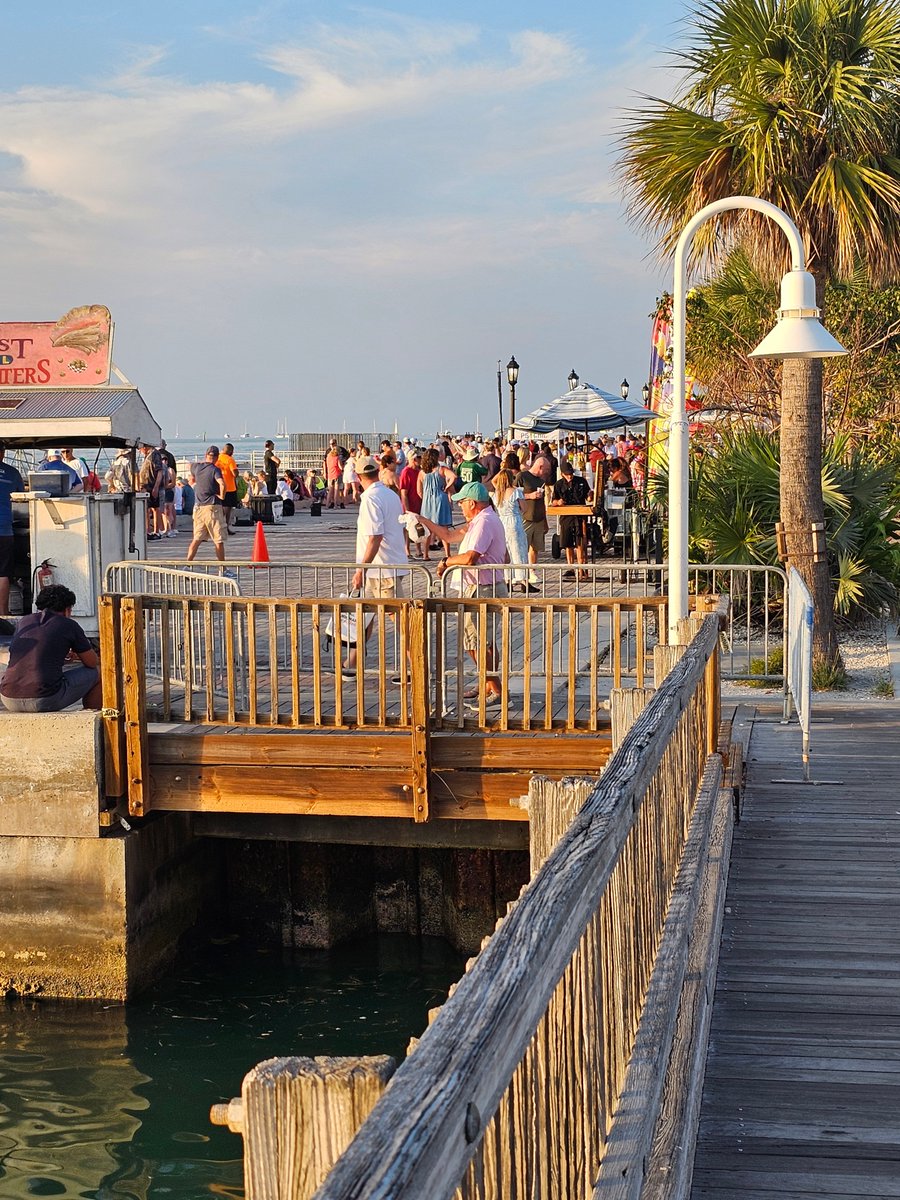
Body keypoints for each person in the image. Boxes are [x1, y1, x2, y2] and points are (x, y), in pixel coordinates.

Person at [421, 481, 508, 708]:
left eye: (462, 502)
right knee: (483, 642)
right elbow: (449, 536)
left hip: (482, 587)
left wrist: (445, 561)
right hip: (486, 585)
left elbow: (470, 557)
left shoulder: (484, 522)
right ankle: (487, 683)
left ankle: (496, 690)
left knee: (475, 643)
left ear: (472, 503)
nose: (460, 506)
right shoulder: (481, 520)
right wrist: (422, 520)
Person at [344, 457, 409, 680]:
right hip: (385, 566)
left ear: (359, 476)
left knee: (399, 620)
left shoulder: (371, 498)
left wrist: (361, 569)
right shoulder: (389, 494)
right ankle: (351, 663)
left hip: (381, 568)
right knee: (366, 614)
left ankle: (413, 667)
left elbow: (375, 537)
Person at [0, 584, 101, 711]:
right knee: (98, 673)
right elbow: (92, 662)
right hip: (43, 699)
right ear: (67, 609)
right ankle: (91, 716)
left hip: (8, 697)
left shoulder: (24, 621)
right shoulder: (69, 625)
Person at [551, 459, 592, 580]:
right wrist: (558, 502)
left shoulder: (581, 481)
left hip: (579, 515)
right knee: (567, 543)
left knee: (580, 542)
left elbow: (588, 496)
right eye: (567, 474)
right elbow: (553, 501)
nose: (570, 476)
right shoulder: (558, 484)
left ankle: (581, 566)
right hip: (566, 516)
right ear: (563, 474)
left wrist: (590, 495)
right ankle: (571, 567)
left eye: (571, 474)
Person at [492, 467, 533, 591]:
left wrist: (501, 470)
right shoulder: (515, 491)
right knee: (519, 550)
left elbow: (494, 481)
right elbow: (524, 508)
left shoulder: (497, 493)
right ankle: (523, 581)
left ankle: (507, 580)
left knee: (506, 551)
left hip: (502, 521)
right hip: (514, 521)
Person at [186, 446, 227, 563]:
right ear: (217, 457)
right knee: (218, 539)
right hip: (212, 507)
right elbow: (222, 484)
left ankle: (188, 564)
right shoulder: (215, 469)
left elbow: (189, 465)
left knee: (197, 539)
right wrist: (222, 496)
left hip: (199, 507)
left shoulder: (197, 467)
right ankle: (222, 568)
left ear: (206, 455)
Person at [512, 451, 547, 572]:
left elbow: (543, 502)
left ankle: (532, 571)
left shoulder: (541, 481)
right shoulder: (522, 476)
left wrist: (545, 521)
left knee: (535, 547)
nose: (546, 473)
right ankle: (522, 572)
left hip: (538, 517)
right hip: (526, 517)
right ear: (540, 467)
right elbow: (512, 494)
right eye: (545, 470)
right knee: (523, 546)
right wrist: (530, 496)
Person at [417, 447, 454, 561]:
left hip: (427, 502)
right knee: (443, 528)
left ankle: (425, 554)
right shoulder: (441, 469)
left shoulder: (422, 472)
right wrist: (447, 487)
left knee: (427, 529)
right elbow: (453, 476)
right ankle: (447, 554)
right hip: (440, 499)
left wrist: (426, 498)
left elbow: (419, 491)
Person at [0, 441, 24, 616]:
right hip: (4, 530)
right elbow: (21, 498)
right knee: (3, 573)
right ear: (3, 452)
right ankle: (3, 613)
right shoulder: (12, 473)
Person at [138, 441, 166, 538]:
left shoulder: (154, 454)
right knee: (147, 508)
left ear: (144, 447)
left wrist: (156, 487)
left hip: (151, 485)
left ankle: (155, 531)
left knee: (154, 508)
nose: (140, 450)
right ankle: (148, 531)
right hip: (146, 485)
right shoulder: (148, 455)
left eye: (140, 448)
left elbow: (159, 471)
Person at [218, 442, 240, 533]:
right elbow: (235, 473)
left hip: (218, 487)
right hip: (229, 487)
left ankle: (218, 526)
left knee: (219, 508)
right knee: (228, 508)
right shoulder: (230, 459)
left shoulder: (218, 458)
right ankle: (225, 526)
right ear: (231, 451)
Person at [158, 439, 178, 536]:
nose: (164, 461)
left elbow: (172, 481)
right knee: (169, 509)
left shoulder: (156, 455)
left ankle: (166, 528)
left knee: (166, 509)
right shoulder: (170, 456)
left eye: (164, 460)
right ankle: (171, 528)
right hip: (167, 489)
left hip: (166, 489)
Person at [324, 439, 343, 509]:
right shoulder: (337, 458)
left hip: (330, 475)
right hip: (337, 475)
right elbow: (340, 467)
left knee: (330, 491)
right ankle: (335, 505)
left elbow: (326, 465)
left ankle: (326, 505)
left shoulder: (328, 457)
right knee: (336, 491)